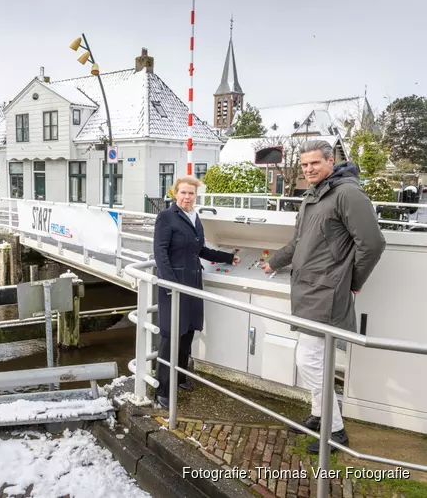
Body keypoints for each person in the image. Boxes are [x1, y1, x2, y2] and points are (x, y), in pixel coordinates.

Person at [261, 140, 385, 454]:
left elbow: (372, 243)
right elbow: (298, 242)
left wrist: (353, 281)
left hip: (326, 293)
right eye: (304, 165)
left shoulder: (347, 194)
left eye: (315, 163)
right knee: (317, 359)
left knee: (308, 360)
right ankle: (319, 414)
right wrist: (273, 262)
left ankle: (336, 431)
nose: (308, 169)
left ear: (330, 161)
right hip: (307, 290)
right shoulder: (313, 197)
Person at [153, 176, 240, 408]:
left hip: (193, 283)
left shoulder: (195, 217)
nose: (187, 197)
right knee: (171, 335)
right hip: (174, 286)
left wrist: (228, 258)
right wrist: (171, 284)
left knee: (188, 332)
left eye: (191, 193)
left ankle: (180, 377)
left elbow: (199, 249)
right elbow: (160, 252)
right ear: (175, 193)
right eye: (183, 193)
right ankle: (162, 389)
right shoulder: (166, 217)